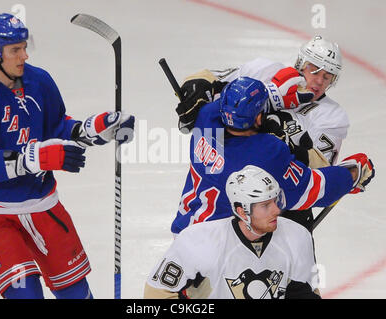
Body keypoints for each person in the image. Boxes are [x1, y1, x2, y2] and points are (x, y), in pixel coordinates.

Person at [0, 13, 135, 299]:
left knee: (77, 293)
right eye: (15, 50)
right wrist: (36, 159)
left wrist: (95, 128)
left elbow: (57, 126)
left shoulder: (39, 80)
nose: (24, 56)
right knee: (27, 294)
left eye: (24, 47)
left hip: (41, 204)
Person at [174, 35, 351, 231]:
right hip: (238, 179)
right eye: (314, 69)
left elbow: (320, 168)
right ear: (301, 63)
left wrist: (288, 143)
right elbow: (208, 79)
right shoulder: (264, 70)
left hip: (284, 205)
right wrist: (196, 92)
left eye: (327, 76)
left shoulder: (332, 116)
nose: (318, 80)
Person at [170, 76, 374, 235]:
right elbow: (313, 189)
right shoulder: (265, 152)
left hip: (185, 234)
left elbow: (229, 103)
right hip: (222, 250)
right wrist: (354, 172)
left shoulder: (206, 118)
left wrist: (273, 96)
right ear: (259, 116)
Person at [145, 165, 321, 299]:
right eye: (265, 205)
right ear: (242, 212)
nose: (276, 210)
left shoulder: (298, 236)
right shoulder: (198, 240)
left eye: (276, 201)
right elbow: (156, 292)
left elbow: (307, 293)